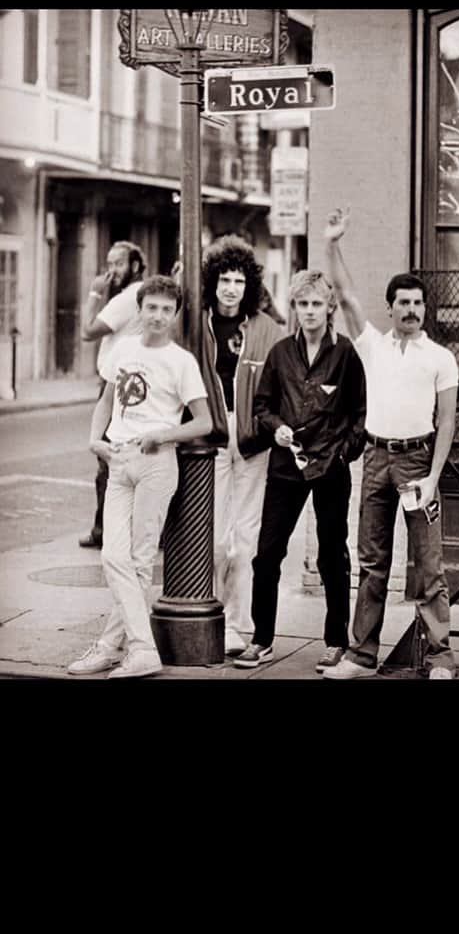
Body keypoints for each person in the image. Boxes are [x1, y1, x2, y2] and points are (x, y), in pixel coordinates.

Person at [323, 205, 458, 680]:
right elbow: (343, 294)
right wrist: (333, 242)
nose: (411, 310)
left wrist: (434, 478)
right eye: (403, 302)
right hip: (377, 458)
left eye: (418, 303)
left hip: (418, 461)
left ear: (426, 309)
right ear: (391, 308)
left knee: (428, 565)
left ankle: (440, 658)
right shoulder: (373, 346)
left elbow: (447, 422)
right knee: (372, 561)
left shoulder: (441, 358)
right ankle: (361, 655)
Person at [68, 275, 212, 679]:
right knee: (114, 556)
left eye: (167, 310)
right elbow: (108, 399)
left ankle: (114, 648)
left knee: (139, 561)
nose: (159, 316)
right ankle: (137, 648)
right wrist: (95, 440)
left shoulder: (181, 361)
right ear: (141, 309)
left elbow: (204, 421)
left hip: (156, 462)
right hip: (119, 460)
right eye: (152, 308)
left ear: (175, 315)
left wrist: (162, 434)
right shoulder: (126, 348)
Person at [234, 270, 366, 672]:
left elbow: (361, 414)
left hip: (330, 467)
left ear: (329, 308)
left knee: (332, 556)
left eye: (316, 304)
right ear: (293, 308)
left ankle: (335, 641)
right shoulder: (280, 353)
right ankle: (261, 640)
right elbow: (262, 406)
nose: (309, 311)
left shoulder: (345, 354)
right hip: (286, 467)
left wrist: (344, 453)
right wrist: (276, 429)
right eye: (301, 304)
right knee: (267, 553)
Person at [201, 236, 284, 657]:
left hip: (253, 438)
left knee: (245, 537)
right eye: (223, 279)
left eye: (237, 280)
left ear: (248, 284)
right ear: (211, 282)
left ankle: (239, 622)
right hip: (211, 436)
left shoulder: (265, 327)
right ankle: (211, 614)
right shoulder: (195, 325)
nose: (230, 287)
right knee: (213, 535)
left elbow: (284, 377)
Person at [79, 240, 146, 548]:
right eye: (108, 263)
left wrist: (94, 293)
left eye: (118, 263)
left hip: (116, 383)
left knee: (107, 457)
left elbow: (87, 331)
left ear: (134, 266)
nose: (111, 271)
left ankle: (103, 530)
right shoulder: (135, 295)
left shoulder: (126, 299)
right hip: (128, 381)